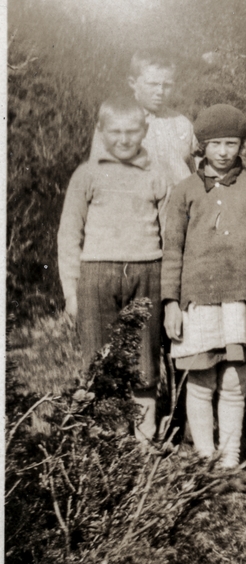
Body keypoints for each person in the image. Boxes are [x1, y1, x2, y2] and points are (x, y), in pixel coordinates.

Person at [161, 105, 246, 468]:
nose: (225, 152)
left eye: (232, 143)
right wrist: (170, 302)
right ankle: (204, 454)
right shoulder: (184, 191)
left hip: (239, 302)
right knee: (200, 381)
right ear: (202, 146)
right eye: (216, 144)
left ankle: (230, 456)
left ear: (242, 144)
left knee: (233, 381)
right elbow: (172, 249)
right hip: (196, 302)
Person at [59, 97, 172, 440]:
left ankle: (144, 439)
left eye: (131, 131)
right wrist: (70, 291)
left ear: (145, 130)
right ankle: (110, 438)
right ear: (100, 131)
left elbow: (170, 234)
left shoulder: (157, 174)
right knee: (99, 362)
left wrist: (170, 293)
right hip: (96, 275)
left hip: (146, 272)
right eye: (115, 131)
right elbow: (69, 234)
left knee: (144, 361)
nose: (124, 139)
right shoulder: (87, 174)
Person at [89, 50, 197, 185]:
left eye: (167, 85)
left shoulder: (183, 124)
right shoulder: (115, 122)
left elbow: (199, 174)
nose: (160, 92)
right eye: (152, 84)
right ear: (132, 83)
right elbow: (99, 175)